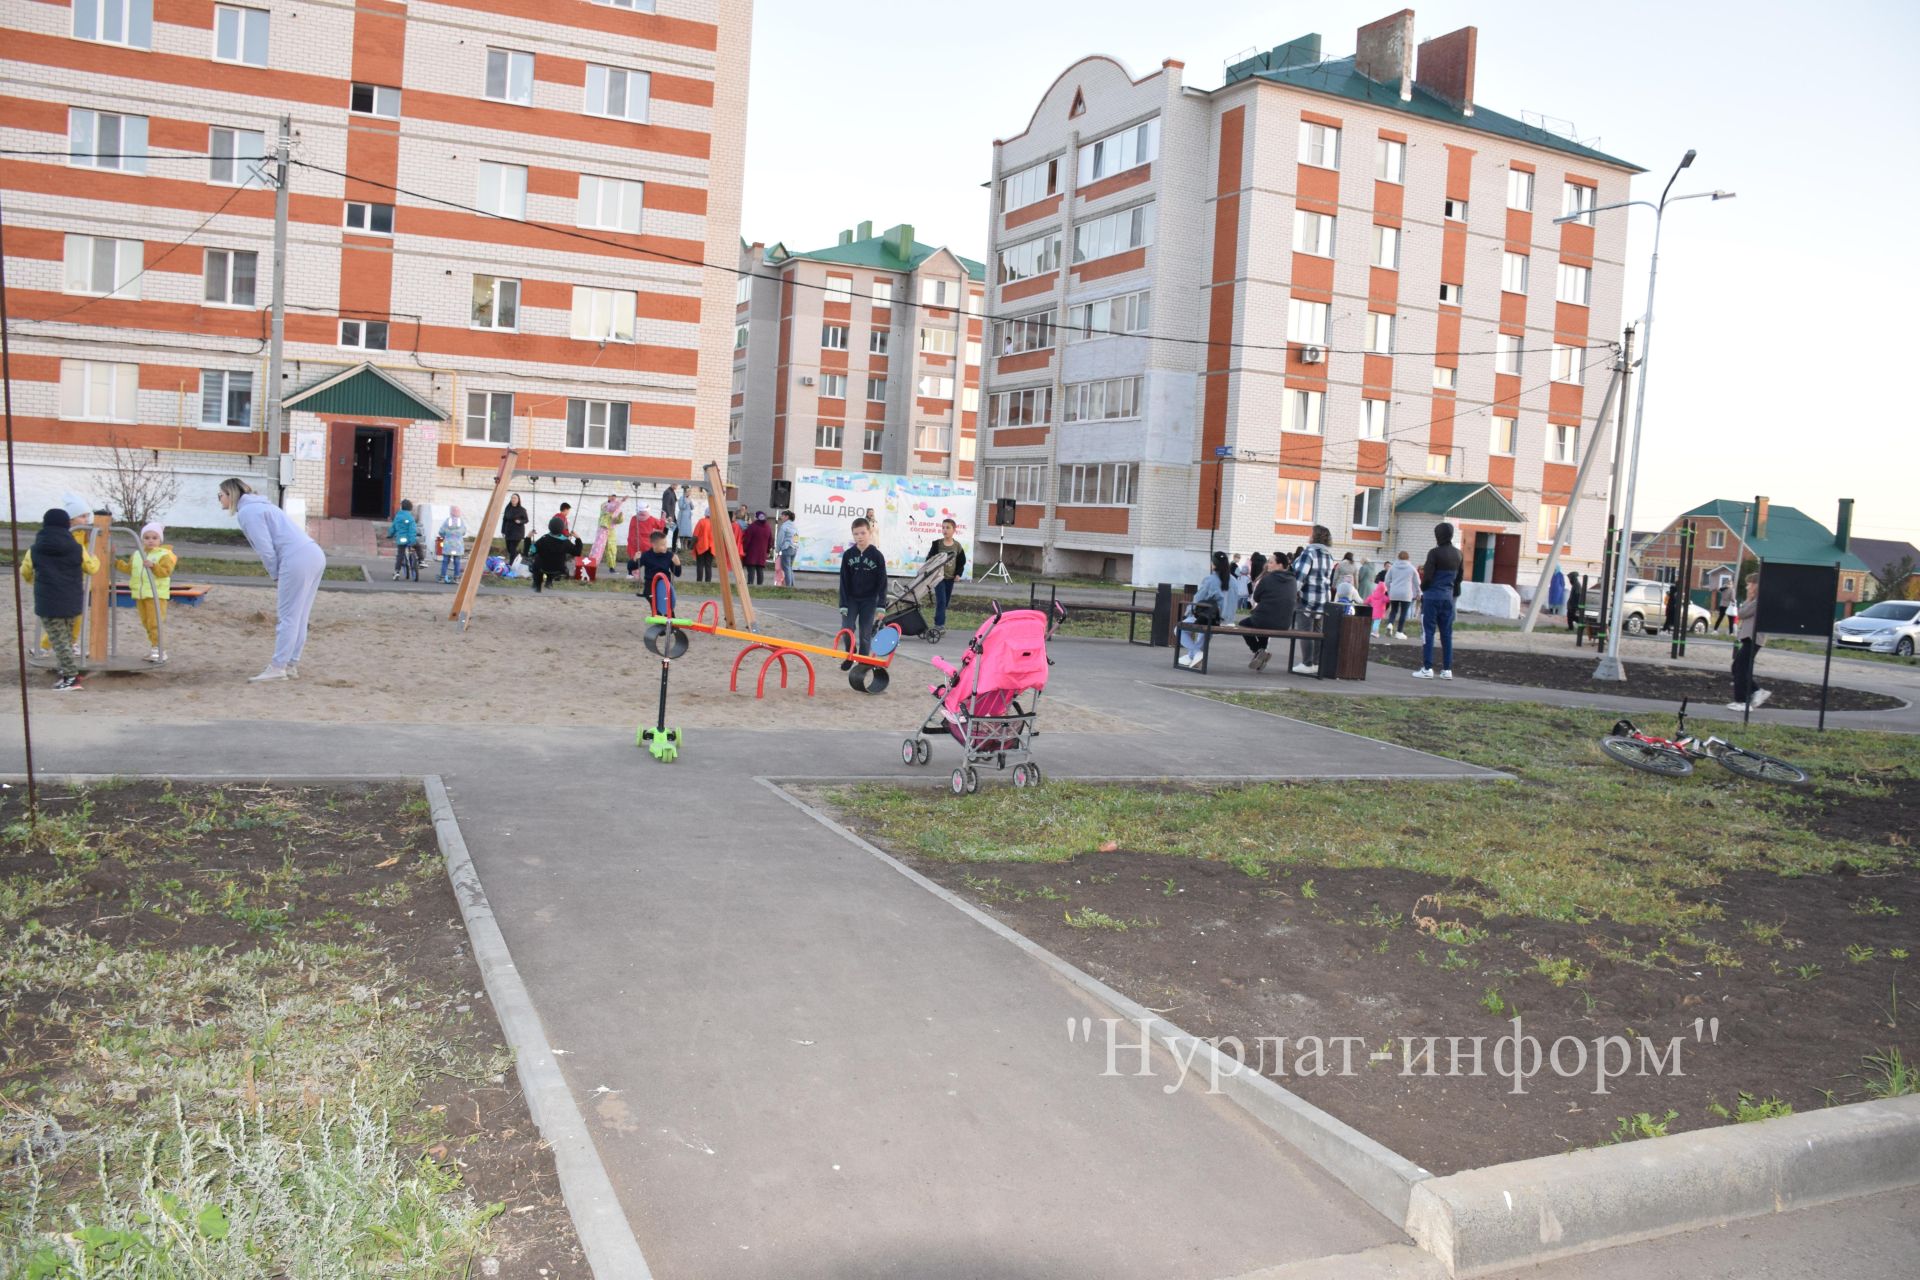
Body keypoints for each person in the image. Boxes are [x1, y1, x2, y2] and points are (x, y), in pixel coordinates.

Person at [220, 477, 325, 682]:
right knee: (299, 615)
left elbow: (265, 549)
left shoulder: (248, 512)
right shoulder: (261, 506)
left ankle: (278, 667)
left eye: (220, 495)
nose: (219, 500)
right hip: (312, 553)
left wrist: (274, 573)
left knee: (288, 617)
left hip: (295, 558)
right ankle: (291, 664)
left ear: (230, 494)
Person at [26, 508, 91, 690]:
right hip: (71, 598)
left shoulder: (36, 548)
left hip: (48, 600)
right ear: (67, 524)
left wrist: (33, 580)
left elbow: (26, 570)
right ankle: (66, 673)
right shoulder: (77, 548)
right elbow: (92, 567)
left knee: (59, 640)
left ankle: (71, 678)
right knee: (67, 640)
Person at [118, 522, 178, 663]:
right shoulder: (138, 553)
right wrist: (116, 562)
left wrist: (153, 566)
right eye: (147, 537)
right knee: (146, 622)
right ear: (142, 539)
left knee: (155, 622)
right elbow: (130, 569)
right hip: (141, 594)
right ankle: (154, 647)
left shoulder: (165, 555)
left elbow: (165, 572)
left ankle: (160, 649)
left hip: (156, 594)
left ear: (160, 540)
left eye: (154, 537)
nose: (150, 540)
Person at [1412, 522, 1464, 680]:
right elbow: (1459, 578)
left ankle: (1427, 668)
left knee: (1428, 632)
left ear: (1438, 535)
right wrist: (1452, 593)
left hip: (1432, 597)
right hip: (1448, 598)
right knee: (1447, 634)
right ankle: (1447, 669)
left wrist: (1423, 589)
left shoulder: (1434, 553)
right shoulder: (1458, 554)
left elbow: (1427, 576)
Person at [837, 517, 887, 669]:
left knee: (865, 634)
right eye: (856, 534)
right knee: (847, 629)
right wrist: (843, 603)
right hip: (851, 600)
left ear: (870, 533)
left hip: (869, 601)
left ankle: (863, 662)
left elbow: (882, 582)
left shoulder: (877, 556)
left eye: (862, 533)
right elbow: (843, 581)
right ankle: (850, 655)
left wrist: (881, 605)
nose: (859, 536)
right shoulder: (848, 555)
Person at [1241, 552, 1298, 671]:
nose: (1267, 565)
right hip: (1284, 623)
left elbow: (1256, 598)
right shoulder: (1293, 580)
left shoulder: (1267, 578)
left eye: (1271, 562)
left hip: (1265, 619)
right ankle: (1261, 655)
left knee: (1243, 625)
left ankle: (1258, 651)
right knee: (1264, 625)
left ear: (1280, 565)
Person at [1178, 552, 1236, 668]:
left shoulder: (1211, 580)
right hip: (1228, 621)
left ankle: (1195, 653)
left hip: (1212, 618)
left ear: (1213, 564)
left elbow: (1197, 599)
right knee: (1204, 632)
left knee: (1179, 629)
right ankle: (1191, 657)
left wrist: (1187, 613)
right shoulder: (1234, 580)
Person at [1291, 526, 1335, 674]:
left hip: (1307, 598)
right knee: (1317, 632)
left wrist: (1292, 593)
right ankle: (1316, 663)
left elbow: (1300, 576)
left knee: (1305, 631)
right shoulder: (1328, 555)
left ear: (1314, 536)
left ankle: (1307, 663)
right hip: (1323, 598)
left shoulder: (1308, 553)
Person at [1729, 574, 1772, 711]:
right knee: (1738, 667)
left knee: (1740, 668)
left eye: (1749, 584)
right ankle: (1756, 691)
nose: (1747, 587)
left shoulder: (1758, 601)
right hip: (1749, 638)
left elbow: (1741, 614)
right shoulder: (1756, 600)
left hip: (1753, 639)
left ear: (1756, 585)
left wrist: (1748, 599)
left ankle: (1742, 701)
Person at [926, 517, 967, 636]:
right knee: (941, 601)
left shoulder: (957, 546)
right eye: (943, 527)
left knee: (945, 602)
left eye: (948, 527)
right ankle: (939, 625)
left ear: (954, 530)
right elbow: (929, 559)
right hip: (938, 578)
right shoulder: (937, 544)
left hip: (950, 579)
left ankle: (939, 621)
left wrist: (958, 574)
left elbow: (961, 562)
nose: (945, 530)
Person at [633, 527, 682, 615]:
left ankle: (671, 625)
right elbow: (632, 567)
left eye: (666, 544)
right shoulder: (646, 556)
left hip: (664, 586)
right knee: (657, 609)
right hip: (650, 587)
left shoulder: (669, 556)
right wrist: (634, 560)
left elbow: (677, 574)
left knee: (668, 610)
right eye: (663, 545)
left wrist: (677, 564)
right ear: (654, 545)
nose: (665, 547)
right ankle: (660, 621)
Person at [530, 515, 574, 593]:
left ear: (549, 527)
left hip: (543, 567)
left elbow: (532, 550)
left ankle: (536, 582)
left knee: (538, 559)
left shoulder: (544, 539)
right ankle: (549, 582)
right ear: (562, 528)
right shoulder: (566, 541)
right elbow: (573, 552)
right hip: (558, 568)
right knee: (556, 560)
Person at [1385, 550, 1420, 640]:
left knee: (1393, 610)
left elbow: (1387, 581)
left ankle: (1390, 624)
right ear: (1408, 558)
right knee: (1403, 613)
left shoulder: (1392, 568)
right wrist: (1418, 592)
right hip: (1406, 593)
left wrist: (1389, 590)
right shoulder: (1411, 568)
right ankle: (1399, 632)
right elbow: (1417, 582)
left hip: (1394, 592)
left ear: (1398, 558)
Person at [387, 499, 420, 580]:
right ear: (411, 508)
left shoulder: (397, 517)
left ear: (401, 507)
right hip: (410, 539)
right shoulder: (410, 518)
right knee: (418, 547)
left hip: (401, 539)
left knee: (400, 555)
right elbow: (413, 529)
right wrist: (414, 537)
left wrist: (390, 535)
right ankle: (422, 561)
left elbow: (393, 527)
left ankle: (397, 572)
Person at [437, 506, 469, 584]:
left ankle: (442, 577)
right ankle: (456, 578)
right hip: (458, 545)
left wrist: (445, 536)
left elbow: (441, 531)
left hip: (448, 544)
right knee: (457, 561)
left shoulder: (447, 521)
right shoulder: (461, 522)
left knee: (445, 561)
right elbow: (464, 532)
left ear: (451, 512)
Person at [742, 510, 774, 586]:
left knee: (751, 569)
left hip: (752, 552)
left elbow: (747, 540)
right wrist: (768, 551)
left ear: (756, 517)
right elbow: (770, 540)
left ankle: (750, 584)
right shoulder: (768, 527)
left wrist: (744, 549)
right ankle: (760, 585)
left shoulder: (752, 527)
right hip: (762, 552)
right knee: (760, 569)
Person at [501, 494, 530, 565]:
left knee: (512, 548)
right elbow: (504, 519)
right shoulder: (508, 508)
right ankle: (517, 556)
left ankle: (511, 564)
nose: (513, 499)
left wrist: (520, 521)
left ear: (518, 500)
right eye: (512, 498)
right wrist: (503, 530)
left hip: (517, 532)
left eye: (515, 498)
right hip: (508, 531)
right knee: (509, 548)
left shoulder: (522, 510)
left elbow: (526, 520)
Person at [775, 510, 798, 587]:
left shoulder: (784, 526)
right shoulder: (794, 526)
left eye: (782, 516)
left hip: (786, 548)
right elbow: (796, 537)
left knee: (786, 568)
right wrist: (795, 546)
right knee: (790, 568)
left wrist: (777, 550)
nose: (781, 517)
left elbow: (780, 539)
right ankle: (792, 585)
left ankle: (788, 586)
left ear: (787, 517)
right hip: (794, 548)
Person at [693, 506, 715, 581]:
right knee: (708, 565)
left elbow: (695, 535)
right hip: (711, 547)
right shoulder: (715, 523)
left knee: (700, 564)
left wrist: (691, 546)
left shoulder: (701, 521)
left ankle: (699, 580)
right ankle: (708, 581)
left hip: (701, 546)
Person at [1367, 571, 1389, 639]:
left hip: (1373, 611)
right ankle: (1375, 632)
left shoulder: (1373, 594)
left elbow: (1367, 600)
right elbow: (1388, 600)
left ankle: (1373, 632)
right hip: (1380, 612)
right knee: (1377, 623)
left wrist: (1369, 603)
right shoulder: (1383, 596)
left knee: (1374, 622)